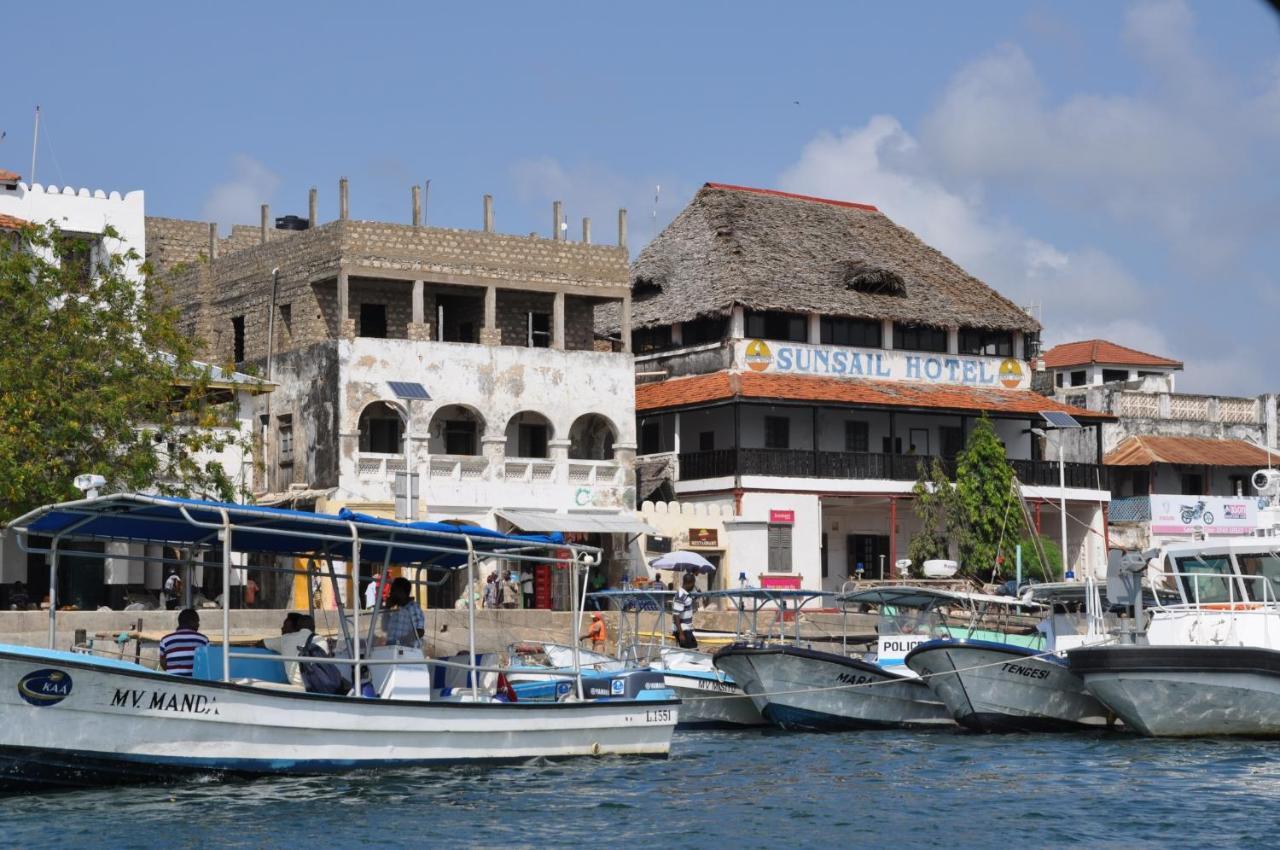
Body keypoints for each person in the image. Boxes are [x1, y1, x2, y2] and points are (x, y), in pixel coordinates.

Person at [261, 612, 313, 687]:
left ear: (296, 628)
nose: (282, 628)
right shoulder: (317, 639)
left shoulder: (285, 639)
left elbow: (261, 643)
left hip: (300, 685)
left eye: (285, 626)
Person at [159, 608, 209, 677]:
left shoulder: (165, 640)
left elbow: (163, 663)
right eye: (197, 622)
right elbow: (206, 663)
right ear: (192, 622)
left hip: (172, 681)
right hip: (196, 682)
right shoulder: (203, 640)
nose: (198, 625)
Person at [383, 577, 425, 648]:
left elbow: (420, 631)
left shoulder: (412, 607)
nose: (390, 593)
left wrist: (400, 641)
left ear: (401, 592)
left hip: (408, 652)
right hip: (393, 649)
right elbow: (384, 628)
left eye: (393, 590)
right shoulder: (395, 611)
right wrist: (387, 608)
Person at [672, 573, 698, 649]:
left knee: (694, 647)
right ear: (690, 583)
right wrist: (681, 634)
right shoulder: (680, 596)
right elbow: (676, 615)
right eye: (693, 584)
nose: (694, 586)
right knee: (690, 650)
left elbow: (698, 594)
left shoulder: (687, 594)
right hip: (682, 629)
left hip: (687, 628)